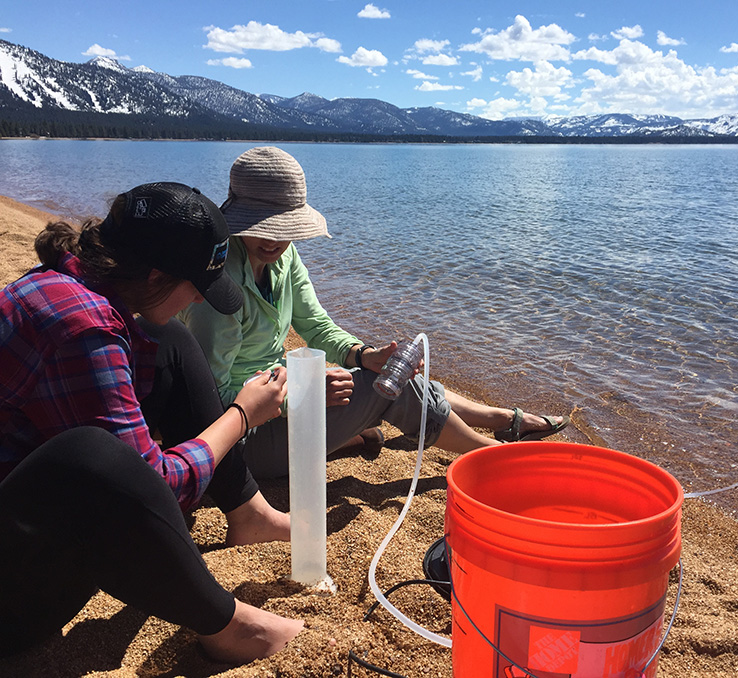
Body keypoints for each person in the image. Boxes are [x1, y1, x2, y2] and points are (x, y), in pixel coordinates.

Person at [0, 182, 302, 662]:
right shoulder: (86, 329)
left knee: (170, 342)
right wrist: (241, 415)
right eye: (197, 287)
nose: (201, 302)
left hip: (22, 509)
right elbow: (152, 484)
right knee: (92, 455)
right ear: (157, 274)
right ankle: (228, 625)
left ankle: (249, 513)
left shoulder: (66, 282)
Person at [179, 146, 569, 479]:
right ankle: (497, 456)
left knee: (385, 373)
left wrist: (366, 355)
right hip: (240, 440)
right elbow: (214, 398)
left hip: (276, 410)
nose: (277, 240)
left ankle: (498, 419)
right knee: (389, 390)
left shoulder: (285, 258)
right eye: (264, 225)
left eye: (286, 227)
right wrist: (301, 394)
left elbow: (316, 327)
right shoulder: (218, 281)